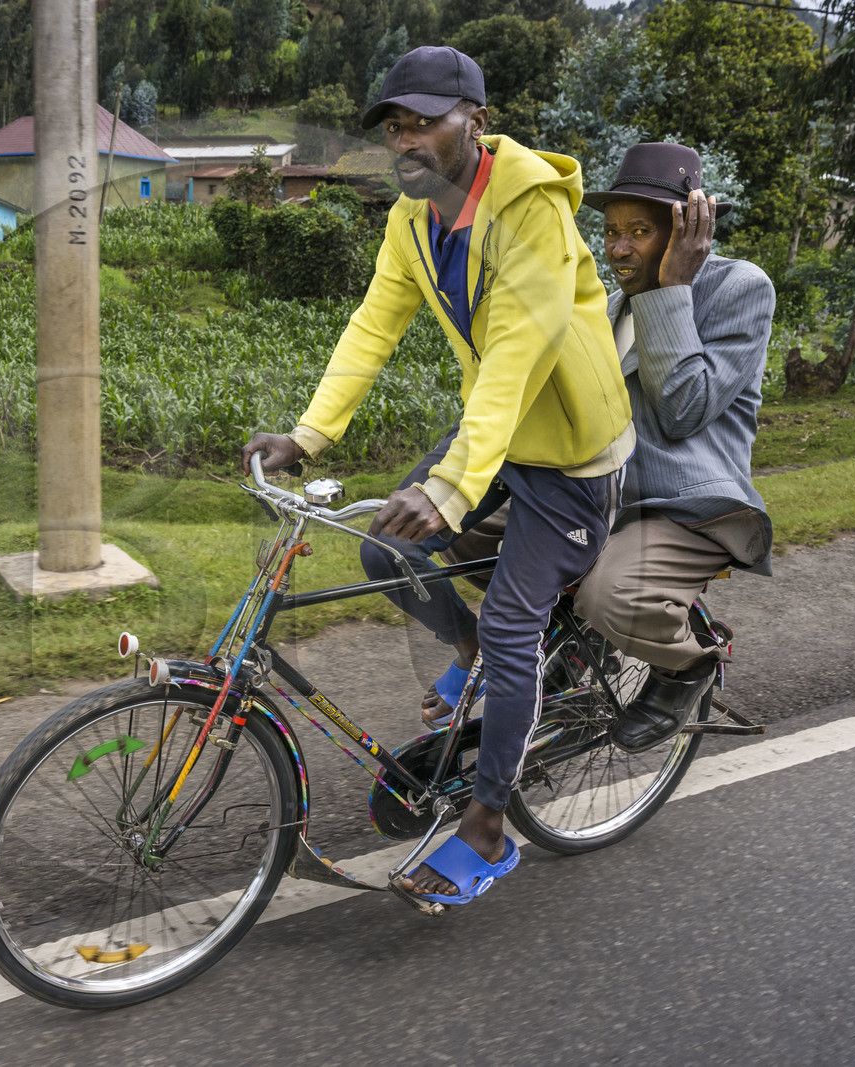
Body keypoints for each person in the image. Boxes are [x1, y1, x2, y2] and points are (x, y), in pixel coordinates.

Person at [241, 45, 635, 908]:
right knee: (385, 554)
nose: (407, 138)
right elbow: (371, 330)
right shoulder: (411, 221)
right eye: (395, 125)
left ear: (477, 123)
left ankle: (489, 830)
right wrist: (307, 437)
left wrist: (453, 488)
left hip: (569, 451)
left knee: (513, 628)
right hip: (494, 436)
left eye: (425, 120)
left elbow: (517, 356)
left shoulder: (531, 209)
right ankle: (469, 654)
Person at [441, 142, 775, 751]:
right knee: (460, 526)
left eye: (640, 232)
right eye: (613, 231)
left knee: (611, 594)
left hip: (684, 502)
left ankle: (684, 670)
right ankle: (563, 643)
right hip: (597, 491)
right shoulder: (606, 301)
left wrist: (667, 288)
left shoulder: (739, 288)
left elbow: (683, 410)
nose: (619, 249)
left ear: (687, 229)